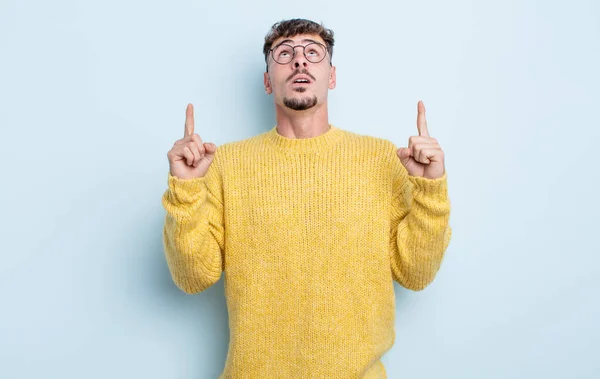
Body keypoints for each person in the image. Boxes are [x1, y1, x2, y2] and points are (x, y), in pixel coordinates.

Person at [162, 18, 452, 379]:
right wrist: (186, 190)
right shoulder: (225, 165)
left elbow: (416, 274)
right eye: (284, 54)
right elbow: (192, 278)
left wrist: (430, 191)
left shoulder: (382, 160)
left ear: (331, 75)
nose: (299, 61)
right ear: (268, 81)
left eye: (313, 52)